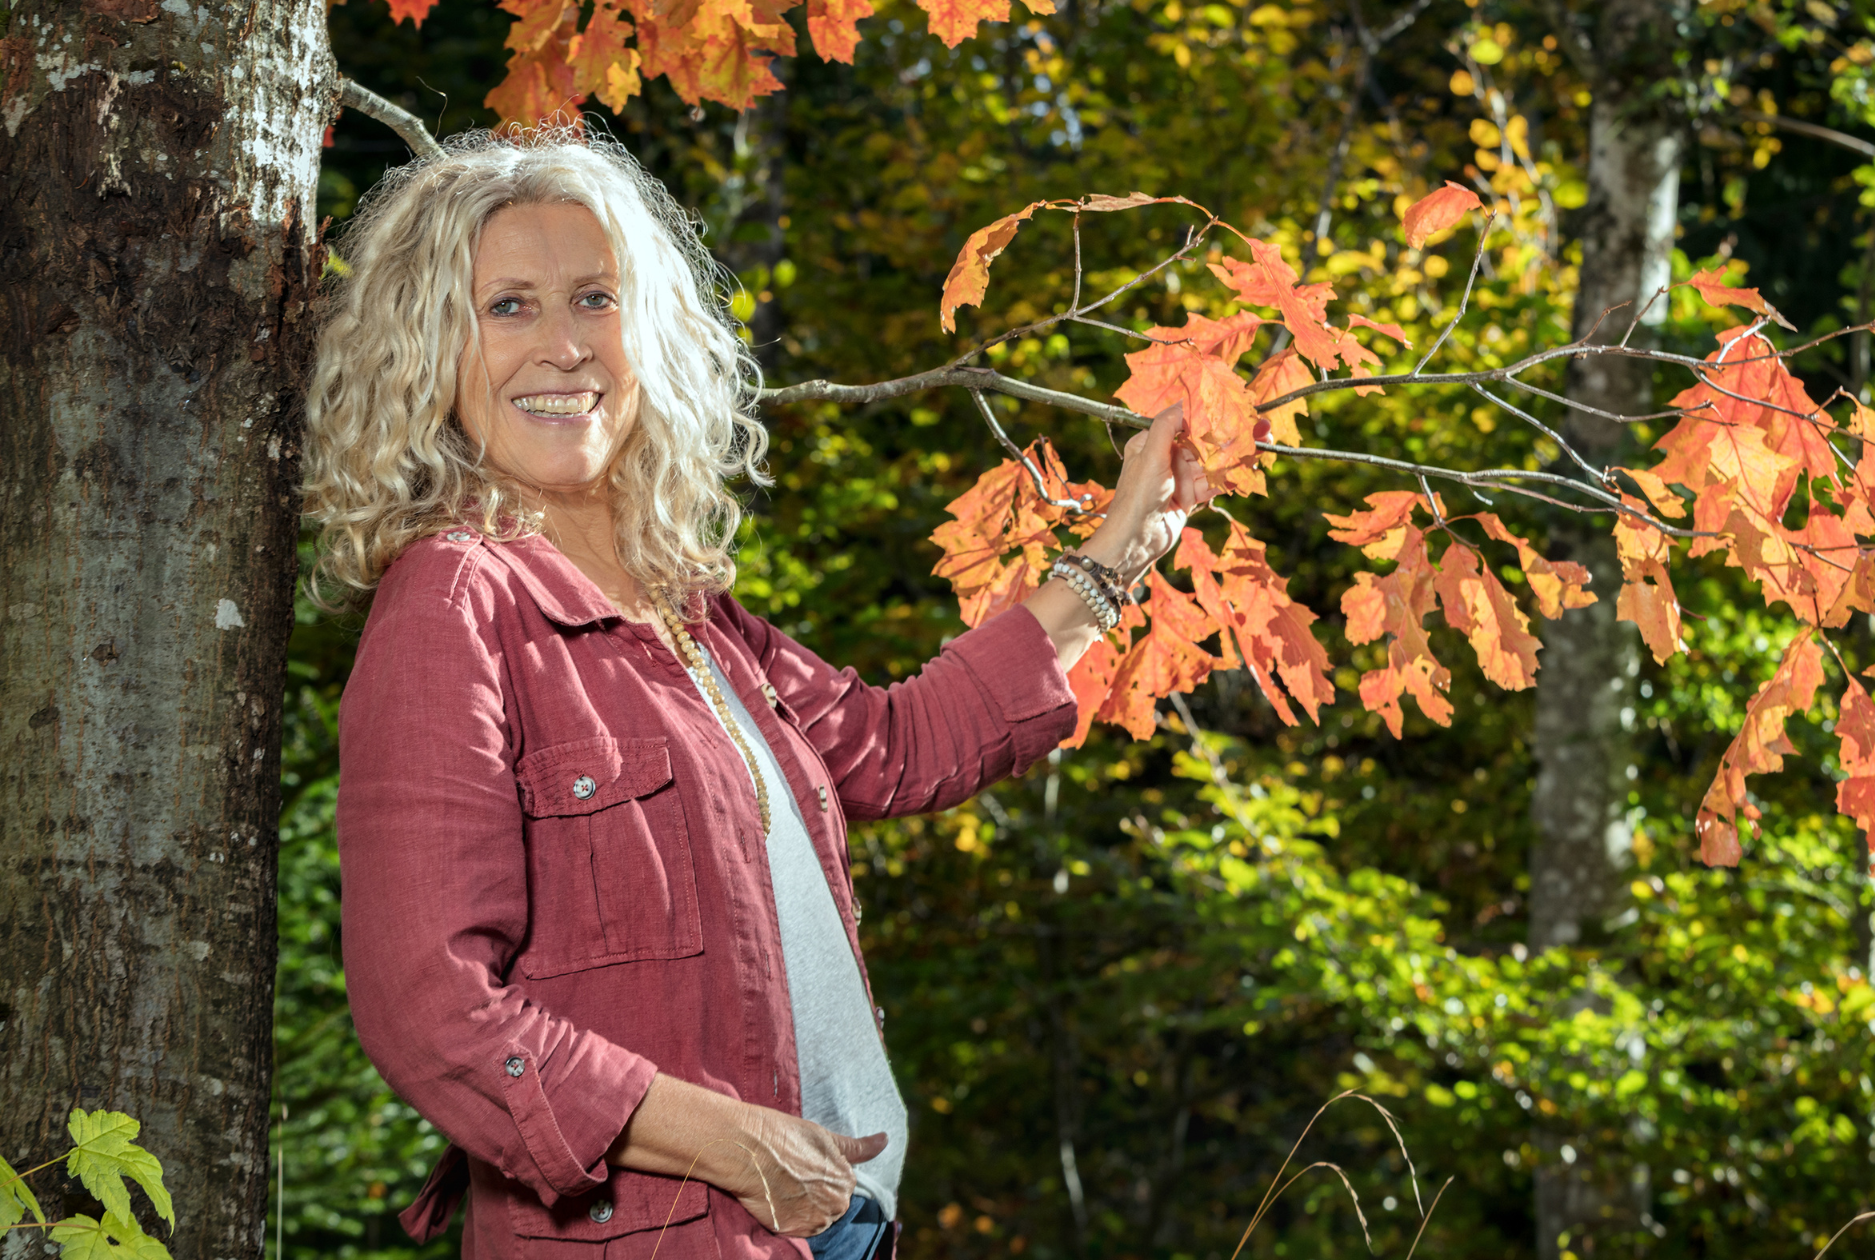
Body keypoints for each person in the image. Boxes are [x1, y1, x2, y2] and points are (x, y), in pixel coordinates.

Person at [303, 125, 1211, 1259]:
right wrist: (736, 1148)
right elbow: (428, 1009)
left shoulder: (683, 611)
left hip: (827, 1228)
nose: (567, 347)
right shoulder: (455, 605)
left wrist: (1125, 547)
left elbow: (895, 745)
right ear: (428, 352)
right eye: (509, 308)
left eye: (595, 298)